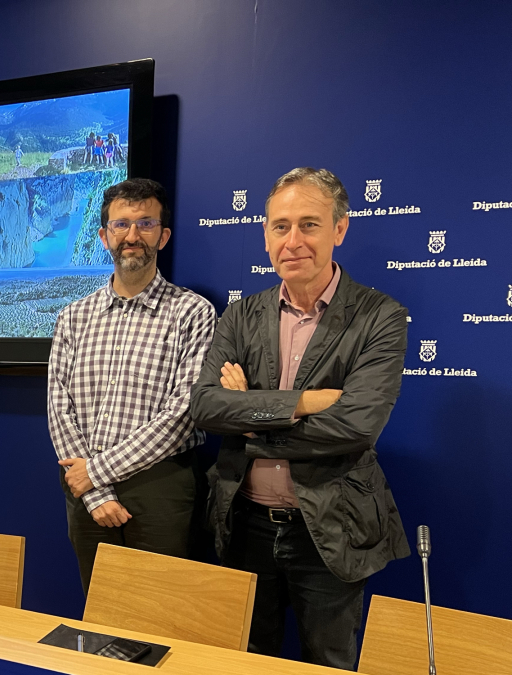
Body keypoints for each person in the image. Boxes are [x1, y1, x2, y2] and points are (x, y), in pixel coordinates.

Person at [190, 167, 410, 669]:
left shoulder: (380, 316)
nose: (293, 241)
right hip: (242, 524)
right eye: (280, 226)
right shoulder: (240, 315)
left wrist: (249, 416)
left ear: (339, 229)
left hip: (331, 529)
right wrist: (303, 402)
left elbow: (356, 426)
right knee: (246, 660)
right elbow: (205, 406)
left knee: (328, 662)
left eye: (309, 224)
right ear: (265, 235)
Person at [48, 178, 217, 593]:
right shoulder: (73, 316)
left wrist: (95, 474)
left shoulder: (193, 313)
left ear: (163, 235)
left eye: (145, 224)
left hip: (159, 485)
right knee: (98, 607)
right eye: (121, 224)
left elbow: (183, 414)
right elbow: (58, 407)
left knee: (157, 611)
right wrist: (93, 492)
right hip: (84, 488)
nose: (132, 236)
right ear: (104, 236)